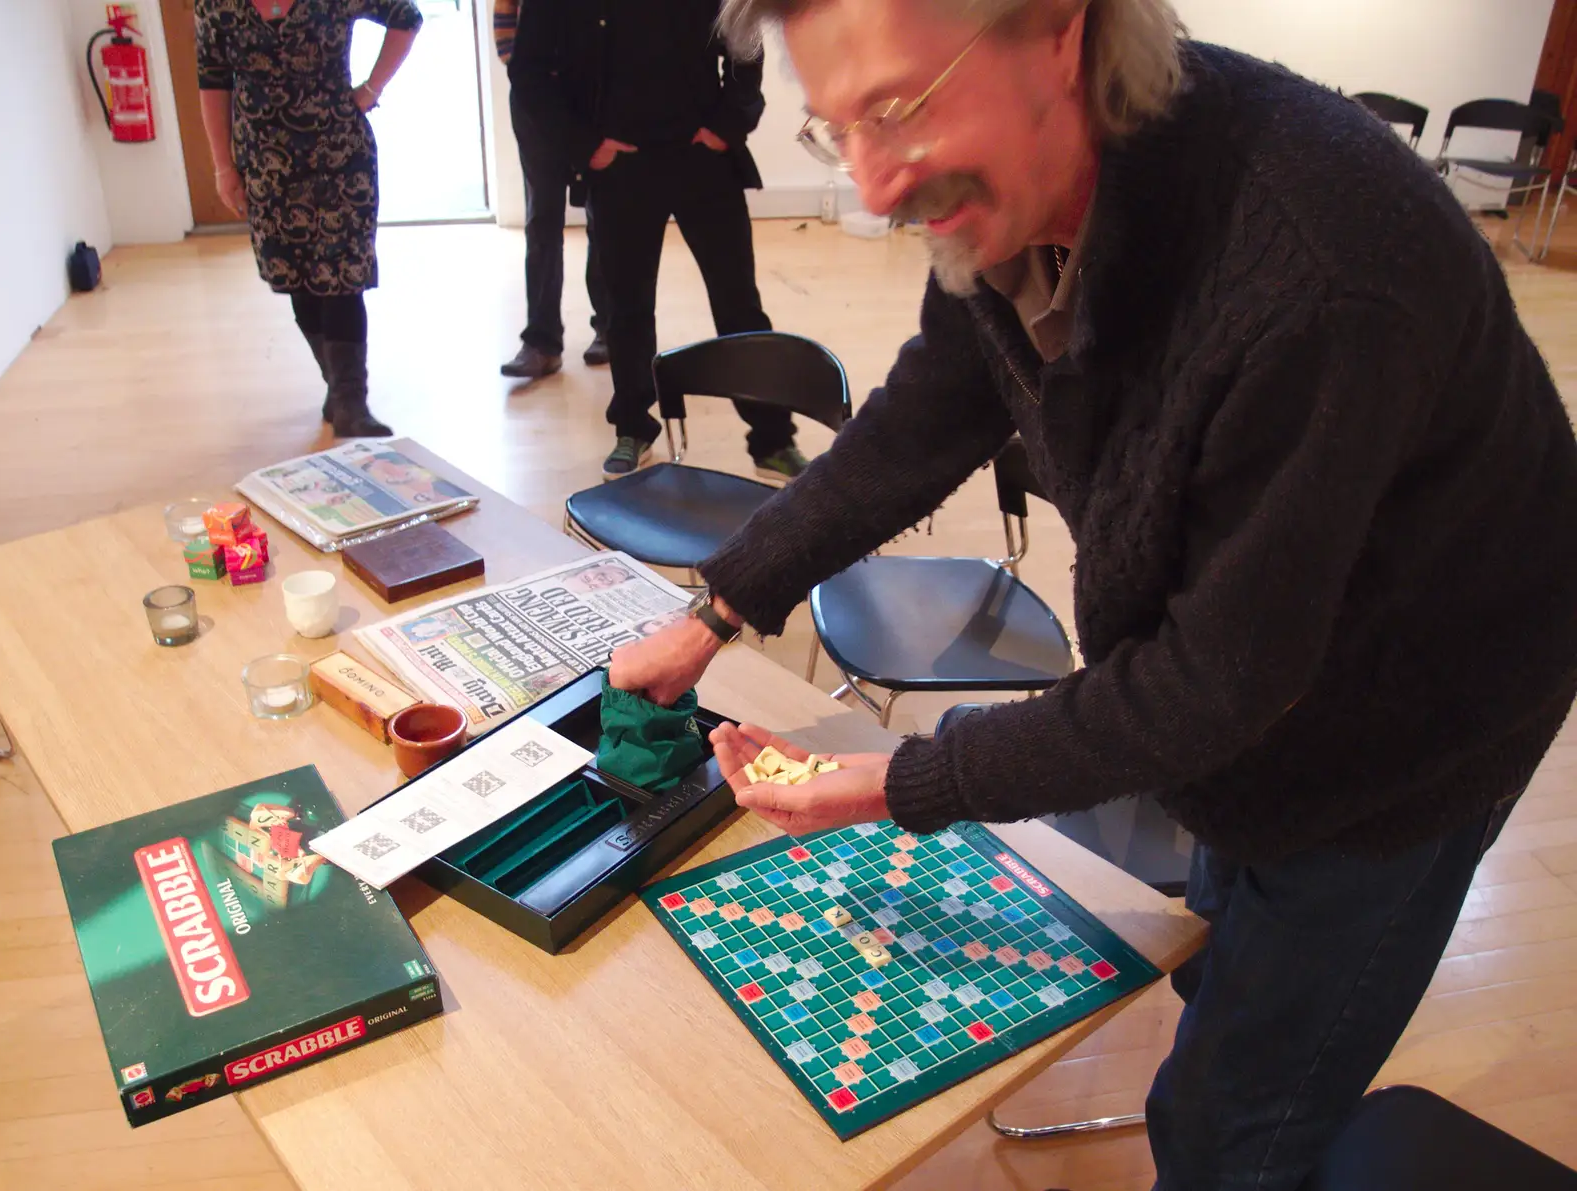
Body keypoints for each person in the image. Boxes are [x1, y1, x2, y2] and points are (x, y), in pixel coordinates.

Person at [606, 1, 1577, 1187]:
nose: (870, 185)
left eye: (900, 109)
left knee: (1236, 1121)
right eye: (837, 127)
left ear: (1058, 30)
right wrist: (715, 611)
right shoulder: (1011, 181)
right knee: (1225, 930)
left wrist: (907, 778)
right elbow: (928, 410)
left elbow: (1213, 685)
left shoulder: (1316, 272)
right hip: (1263, 669)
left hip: (1415, 718)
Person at [511, 0, 811, 482]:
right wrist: (584, 146)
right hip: (620, 168)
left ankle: (772, 441)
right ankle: (633, 428)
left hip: (703, 160)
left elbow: (745, 42)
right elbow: (529, 75)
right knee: (625, 310)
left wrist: (727, 126)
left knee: (739, 306)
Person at [195, 0, 421, 438]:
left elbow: (406, 17)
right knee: (296, 275)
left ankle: (352, 403)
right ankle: (337, 388)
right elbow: (213, 81)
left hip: (337, 154)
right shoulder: (216, 6)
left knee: (341, 275)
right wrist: (223, 166)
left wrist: (371, 89)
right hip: (265, 162)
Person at [492, 0, 610, 381]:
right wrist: (517, 62)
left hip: (593, 95)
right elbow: (506, 12)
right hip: (535, 93)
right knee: (542, 218)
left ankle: (610, 328)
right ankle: (542, 342)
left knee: (604, 212)